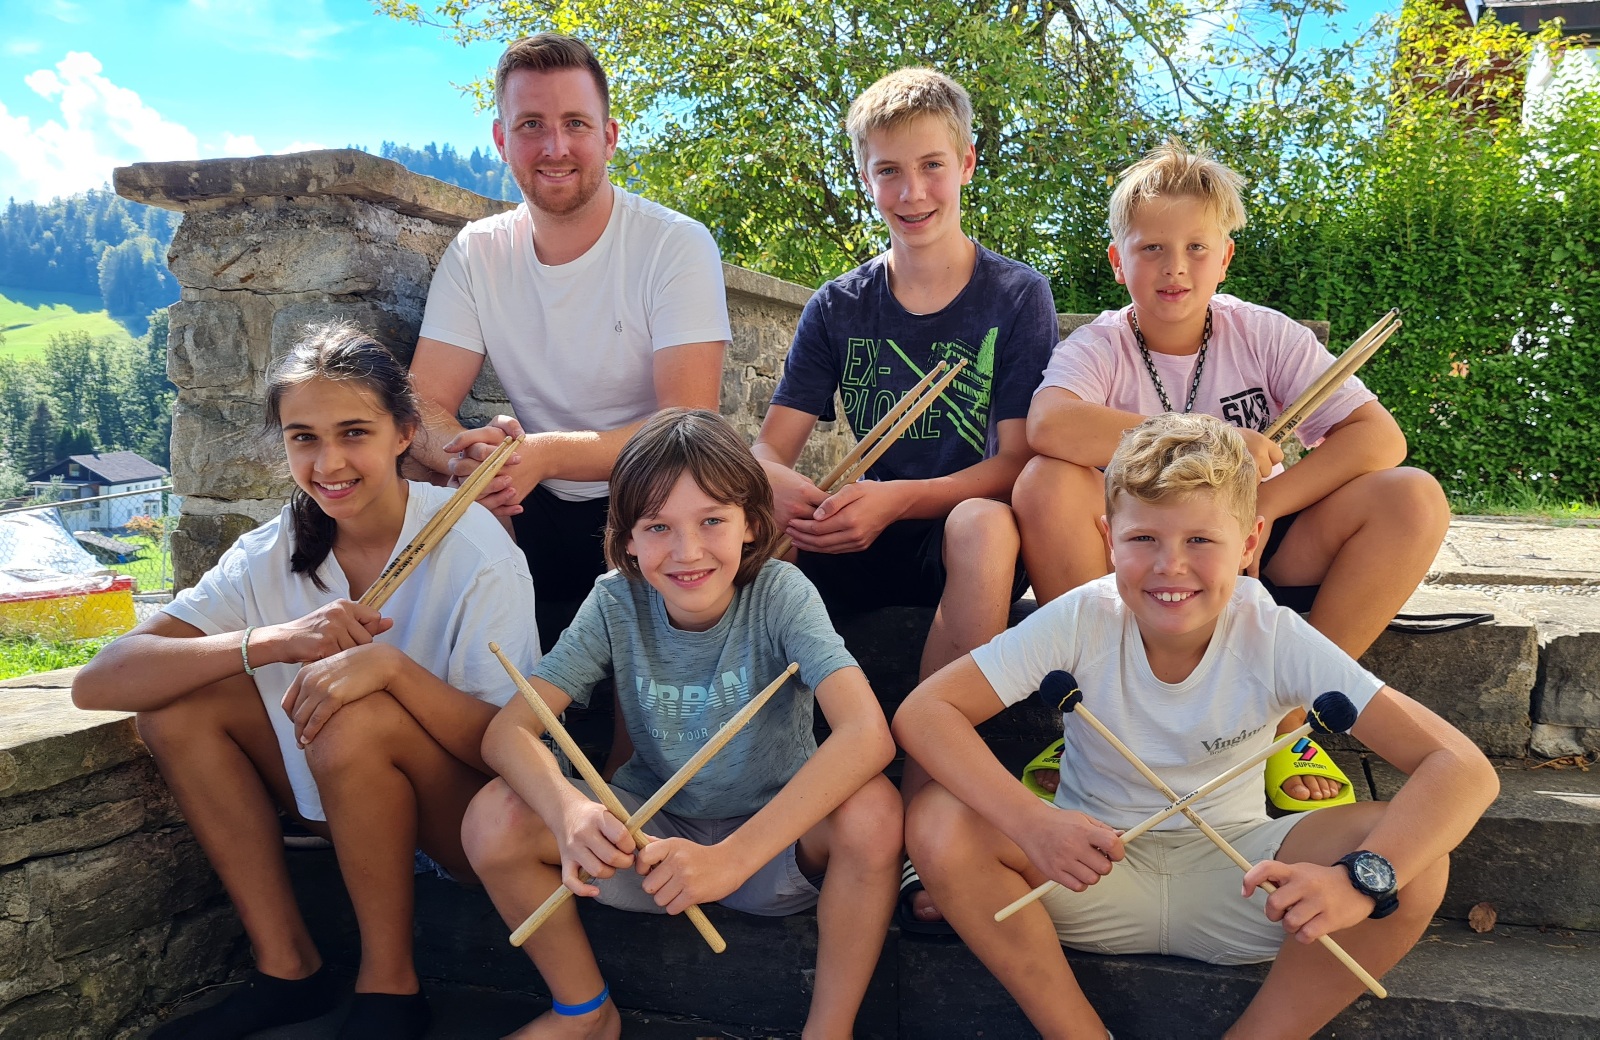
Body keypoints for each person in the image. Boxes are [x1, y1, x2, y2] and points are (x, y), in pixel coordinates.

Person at [895, 413, 1497, 1039]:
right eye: (1143, 538)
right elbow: (925, 712)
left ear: (1250, 541)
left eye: (1201, 540)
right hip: (1085, 869)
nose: (1171, 566)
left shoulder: (1273, 634)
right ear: (1108, 538)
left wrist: (1355, 881)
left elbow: (1462, 769)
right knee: (940, 820)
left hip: (1244, 879)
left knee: (1415, 860)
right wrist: (1032, 823)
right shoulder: (1080, 616)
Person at [72, 324, 541, 1040]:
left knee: (357, 707)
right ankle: (287, 967)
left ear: (404, 434)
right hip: (335, 802)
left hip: (465, 821)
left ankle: (390, 986)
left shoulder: (474, 546)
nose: (329, 463)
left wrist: (393, 673)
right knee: (174, 708)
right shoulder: (270, 549)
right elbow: (99, 682)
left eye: (354, 433)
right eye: (304, 438)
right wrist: (276, 640)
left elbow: (511, 749)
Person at [1013, 140, 1450, 811]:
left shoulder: (1263, 333)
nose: (1174, 267)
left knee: (1413, 497)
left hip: (1255, 548)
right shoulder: (1100, 344)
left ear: (1225, 259)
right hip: (1142, 561)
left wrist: (1261, 506)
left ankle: (1284, 723)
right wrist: (1206, 437)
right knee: (1043, 481)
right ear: (1118, 262)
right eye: (1151, 248)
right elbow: (1049, 426)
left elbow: (1380, 437)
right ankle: (1097, 725)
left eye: (1196, 247)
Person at [462, 408, 901, 1040]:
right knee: (492, 817)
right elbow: (506, 733)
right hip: (649, 847)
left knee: (874, 810)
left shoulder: (780, 593)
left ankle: (828, 1030)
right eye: (658, 526)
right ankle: (584, 1012)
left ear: (753, 524)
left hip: (772, 845)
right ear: (627, 539)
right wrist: (569, 812)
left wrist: (731, 859)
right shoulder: (615, 599)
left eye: (712, 520)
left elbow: (867, 734)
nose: (687, 551)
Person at [749, 69, 1054, 931]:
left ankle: (925, 806)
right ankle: (758, 782)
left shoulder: (1015, 294)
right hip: (864, 529)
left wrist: (894, 499)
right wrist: (792, 492)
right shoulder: (838, 306)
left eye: (930, 167)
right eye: (888, 171)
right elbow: (766, 454)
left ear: (967, 164)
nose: (912, 192)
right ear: (864, 178)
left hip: (955, 533)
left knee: (985, 524)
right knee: (747, 529)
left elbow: (1015, 464)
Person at [409, 31, 731, 655]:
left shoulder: (673, 244)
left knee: (685, 481)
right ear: (502, 140)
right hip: (531, 499)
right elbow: (420, 402)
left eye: (575, 124)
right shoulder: (478, 252)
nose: (555, 147)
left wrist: (547, 453)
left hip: (647, 493)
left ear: (608, 137)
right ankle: (480, 689)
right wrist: (468, 462)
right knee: (416, 474)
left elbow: (689, 422)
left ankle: (641, 706)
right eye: (531, 124)